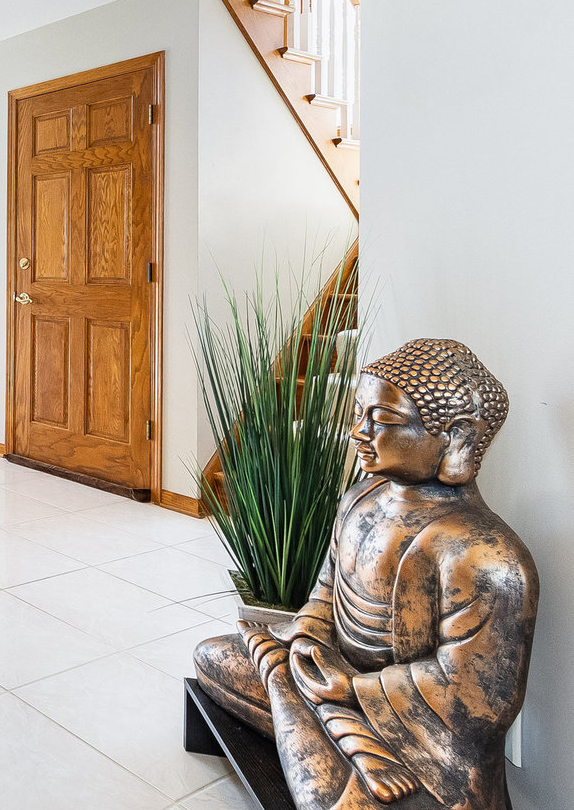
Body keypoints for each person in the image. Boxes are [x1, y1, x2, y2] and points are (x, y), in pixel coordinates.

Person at [194, 339, 537, 810]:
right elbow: (323, 594)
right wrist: (307, 640)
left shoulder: (483, 553)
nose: (359, 431)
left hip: (425, 745)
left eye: (384, 420)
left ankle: (315, 719)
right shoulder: (361, 498)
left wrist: (352, 689)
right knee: (213, 657)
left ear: (456, 437)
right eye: (360, 413)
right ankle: (315, 712)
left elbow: (479, 703)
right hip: (332, 677)